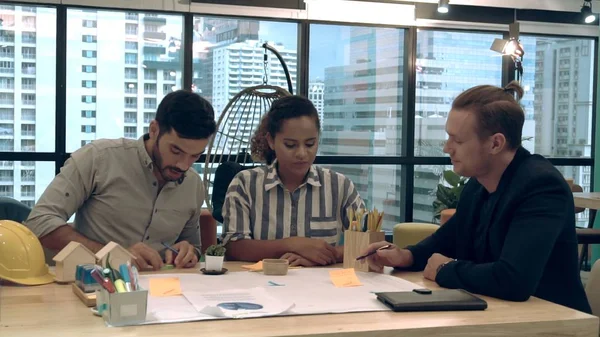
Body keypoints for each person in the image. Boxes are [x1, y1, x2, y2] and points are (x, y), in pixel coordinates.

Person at [364, 81, 592, 314]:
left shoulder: (541, 187)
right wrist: (406, 256)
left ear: (495, 143)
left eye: (458, 140)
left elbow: (514, 280)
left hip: (554, 323)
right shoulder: (478, 184)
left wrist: (445, 269)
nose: (446, 148)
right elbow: (448, 238)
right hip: (499, 316)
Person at [24, 90, 217, 271]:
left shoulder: (193, 184)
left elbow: (193, 246)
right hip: (95, 285)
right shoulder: (99, 159)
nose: (183, 165)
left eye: (195, 156)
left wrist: (187, 251)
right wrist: (111, 254)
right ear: (154, 130)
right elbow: (39, 223)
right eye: (176, 151)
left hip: (163, 291)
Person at [222, 95, 364, 266]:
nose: (302, 154)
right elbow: (233, 248)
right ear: (271, 141)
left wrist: (323, 255)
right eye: (290, 145)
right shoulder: (245, 184)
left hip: (323, 286)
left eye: (310, 144)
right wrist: (293, 244)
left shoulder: (339, 186)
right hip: (261, 285)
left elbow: (368, 241)